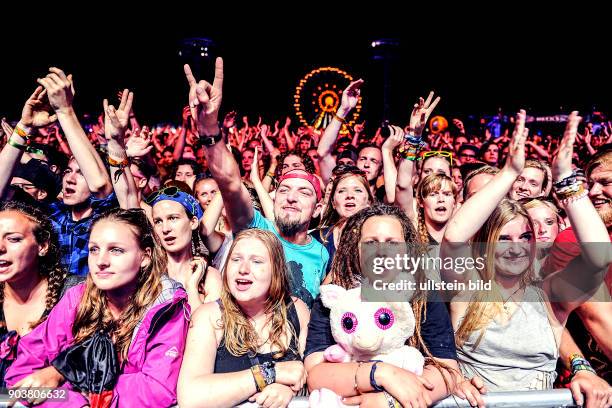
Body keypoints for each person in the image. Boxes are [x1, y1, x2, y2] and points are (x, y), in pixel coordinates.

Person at [441, 110, 612, 406]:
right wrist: (508, 172)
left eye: (525, 237)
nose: (516, 247)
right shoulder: (466, 287)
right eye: (503, 239)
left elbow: (598, 258)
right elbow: (454, 237)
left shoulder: (548, 294)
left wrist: (565, 180)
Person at [6, 208, 189, 407]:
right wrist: (71, 402)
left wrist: (62, 375)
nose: (101, 261)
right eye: (94, 249)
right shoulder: (76, 298)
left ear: (145, 256)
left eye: (116, 250)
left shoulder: (166, 307)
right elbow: (22, 373)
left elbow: (156, 389)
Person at [184, 58, 328, 308]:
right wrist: (209, 128)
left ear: (318, 208)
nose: (291, 197)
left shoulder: (323, 253)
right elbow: (230, 183)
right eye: (284, 190)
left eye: (303, 192)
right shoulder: (257, 229)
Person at [305, 204, 462, 408]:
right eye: (371, 242)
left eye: (392, 243)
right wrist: (380, 373)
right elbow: (315, 373)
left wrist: (389, 402)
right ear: (357, 248)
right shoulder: (335, 297)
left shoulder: (424, 295)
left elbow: (446, 370)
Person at [0, 71, 120, 276]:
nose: (70, 179)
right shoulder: (50, 216)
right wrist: (24, 128)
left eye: (80, 173)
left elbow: (100, 185)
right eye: (67, 171)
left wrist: (65, 111)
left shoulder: (107, 220)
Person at [177, 229, 310, 408]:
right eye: (236, 259)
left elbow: (309, 376)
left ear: (276, 270)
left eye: (256, 261)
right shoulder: (209, 316)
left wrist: (292, 391)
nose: (243, 269)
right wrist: (268, 374)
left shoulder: (296, 310)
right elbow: (191, 397)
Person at [0, 202, 70, 388]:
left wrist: (58, 372)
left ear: (42, 246)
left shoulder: (71, 294)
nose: (0, 247)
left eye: (13, 239)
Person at [149, 186, 222, 311]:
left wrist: (192, 287)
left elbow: (206, 327)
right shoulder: (148, 273)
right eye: (158, 221)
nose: (165, 229)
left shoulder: (209, 277)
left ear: (193, 222)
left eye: (173, 218)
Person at [317, 165, 373, 276]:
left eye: (357, 190)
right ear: (333, 202)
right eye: (342, 191)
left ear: (369, 201)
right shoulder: (318, 239)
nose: (350, 196)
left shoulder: (380, 237)